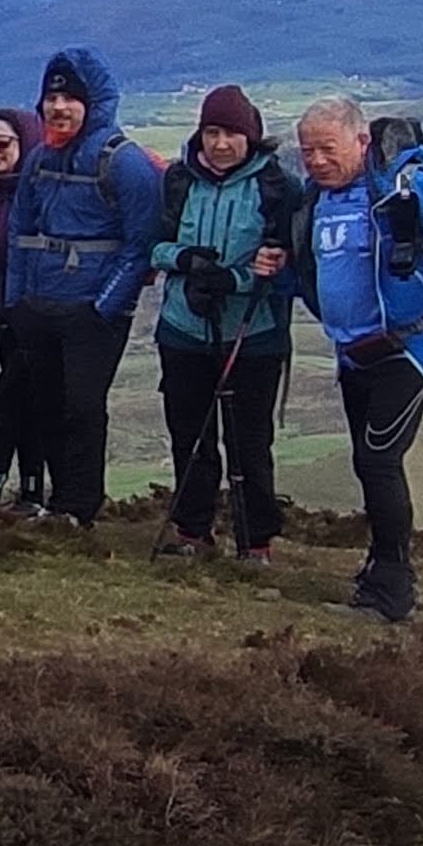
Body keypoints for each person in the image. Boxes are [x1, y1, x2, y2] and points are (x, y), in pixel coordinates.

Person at [292, 99, 423, 622]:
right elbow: (311, 266)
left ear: (361, 142)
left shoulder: (404, 187)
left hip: (412, 346)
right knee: (369, 463)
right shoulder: (313, 200)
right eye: (307, 151)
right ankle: (380, 569)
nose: (317, 161)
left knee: (378, 458)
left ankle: (393, 590)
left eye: (327, 148)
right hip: (354, 350)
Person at [3, 48, 163, 527]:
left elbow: (140, 245)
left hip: (93, 313)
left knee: (83, 408)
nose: (58, 107)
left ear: (93, 103)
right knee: (47, 404)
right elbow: (21, 232)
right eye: (51, 97)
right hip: (40, 306)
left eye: (70, 98)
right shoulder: (38, 160)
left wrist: (103, 308)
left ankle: (80, 505)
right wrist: (17, 303)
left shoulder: (124, 163)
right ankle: (61, 502)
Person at [148, 86, 300, 561]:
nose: (220, 143)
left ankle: (256, 541)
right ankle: (193, 532)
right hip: (182, 329)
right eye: (212, 132)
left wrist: (234, 279)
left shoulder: (278, 186)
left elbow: (287, 262)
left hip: (252, 335)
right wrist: (186, 259)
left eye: (232, 133)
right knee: (190, 436)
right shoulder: (178, 181)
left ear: (250, 137)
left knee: (249, 442)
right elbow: (153, 247)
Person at [0, 106, 48, 516]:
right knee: (22, 395)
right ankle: (27, 491)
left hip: (41, 315)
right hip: (5, 315)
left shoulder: (42, 192)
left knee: (13, 393)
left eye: (4, 143)